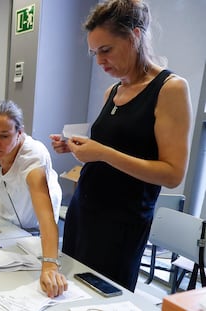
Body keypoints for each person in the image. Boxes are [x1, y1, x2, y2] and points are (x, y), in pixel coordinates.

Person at [50, 0, 192, 292]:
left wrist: (101, 152)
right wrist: (76, 147)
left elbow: (172, 173)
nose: (100, 61)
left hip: (121, 223)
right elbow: (112, 151)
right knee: (71, 293)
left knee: (103, 298)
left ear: (135, 37)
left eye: (106, 50)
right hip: (84, 211)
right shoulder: (112, 91)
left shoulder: (171, 89)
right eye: (94, 52)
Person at [0, 100, 67, 298]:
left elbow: (46, 218)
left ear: (20, 132)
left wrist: (49, 266)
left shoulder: (32, 157)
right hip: (7, 218)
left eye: (4, 136)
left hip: (35, 224)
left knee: (23, 281)